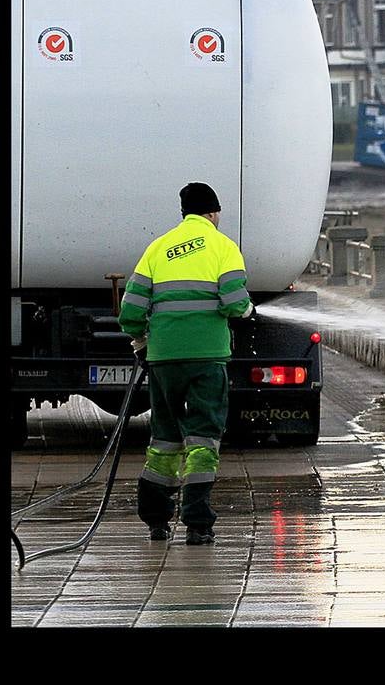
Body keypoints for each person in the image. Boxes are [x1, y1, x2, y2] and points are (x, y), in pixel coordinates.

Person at [118, 182, 253, 546]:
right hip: (208, 358)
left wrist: (140, 340)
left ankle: (157, 522)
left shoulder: (158, 248)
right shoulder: (224, 247)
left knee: (164, 438)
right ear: (212, 213)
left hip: (163, 359)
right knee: (203, 439)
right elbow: (235, 302)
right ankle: (197, 524)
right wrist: (246, 309)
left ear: (185, 213)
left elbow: (130, 309)